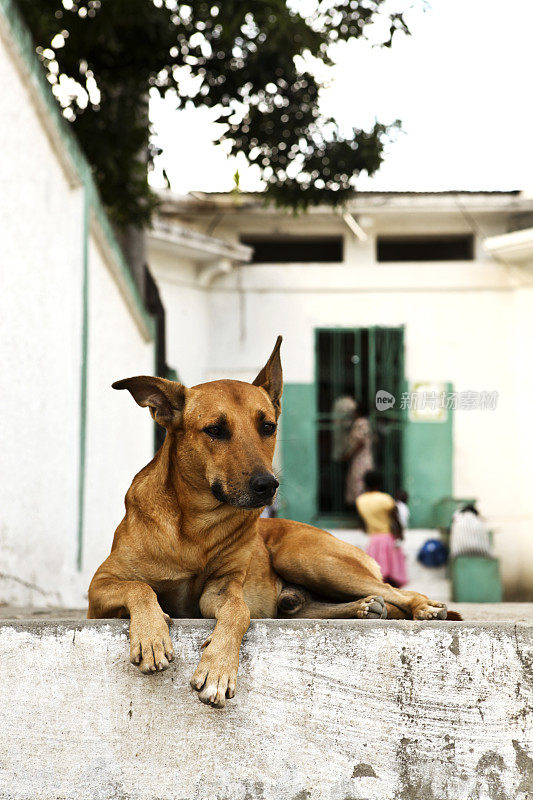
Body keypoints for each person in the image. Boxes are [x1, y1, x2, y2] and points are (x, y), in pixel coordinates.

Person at [356, 470, 408, 588]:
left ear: (365, 483)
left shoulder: (360, 501)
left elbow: (362, 523)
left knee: (377, 576)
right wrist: (400, 535)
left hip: (373, 540)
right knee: (392, 576)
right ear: (379, 483)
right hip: (388, 539)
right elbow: (396, 519)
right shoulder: (385, 499)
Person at [332, 396, 373, 504]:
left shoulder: (360, 423)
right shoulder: (366, 422)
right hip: (363, 459)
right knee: (360, 485)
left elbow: (360, 442)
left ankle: (361, 509)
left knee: (358, 485)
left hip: (360, 460)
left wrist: (349, 455)